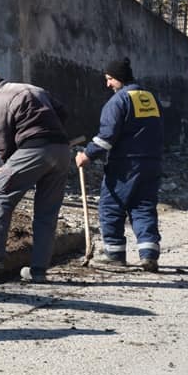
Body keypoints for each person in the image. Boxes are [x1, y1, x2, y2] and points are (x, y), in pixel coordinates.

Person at [0, 69, 72, 283]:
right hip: (61, 151)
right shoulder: (33, 88)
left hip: (34, 149)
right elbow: (63, 112)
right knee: (46, 213)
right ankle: (38, 270)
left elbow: (2, 141)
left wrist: (10, 166)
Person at [75, 57, 164, 272]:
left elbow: (106, 137)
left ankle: (114, 254)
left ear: (120, 78)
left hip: (125, 165)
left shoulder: (118, 101)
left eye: (110, 79)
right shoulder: (150, 98)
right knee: (143, 206)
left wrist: (87, 155)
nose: (107, 84)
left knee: (112, 205)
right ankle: (149, 254)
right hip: (152, 162)